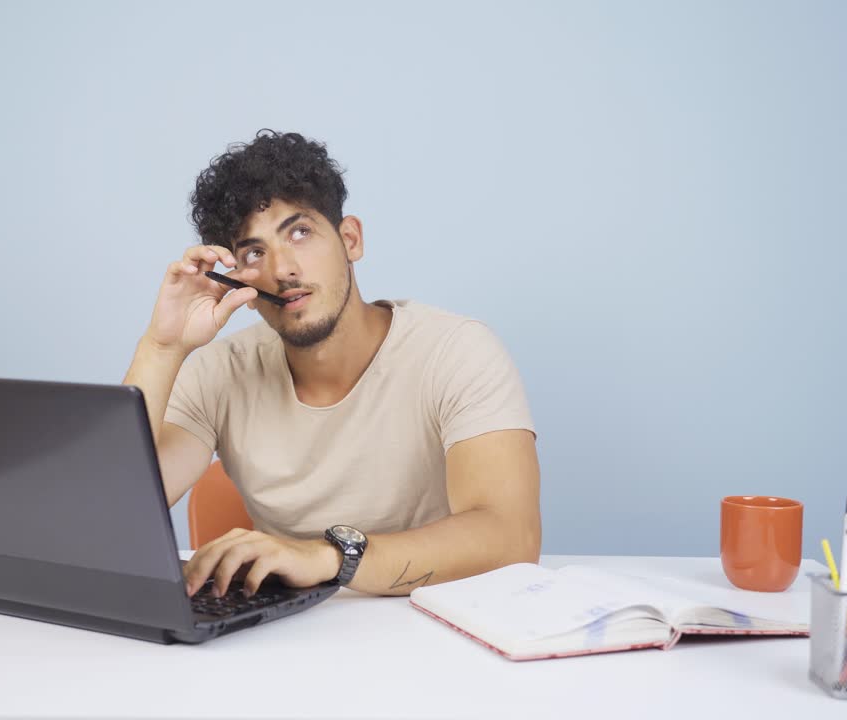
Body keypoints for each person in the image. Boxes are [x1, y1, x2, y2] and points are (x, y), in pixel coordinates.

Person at [123, 129, 540, 600]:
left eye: (299, 233)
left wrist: (330, 558)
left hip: (431, 623)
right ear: (238, 281)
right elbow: (115, 516)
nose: (282, 270)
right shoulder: (220, 371)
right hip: (290, 632)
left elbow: (512, 538)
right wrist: (162, 348)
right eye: (254, 252)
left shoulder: (456, 351)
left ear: (350, 239)